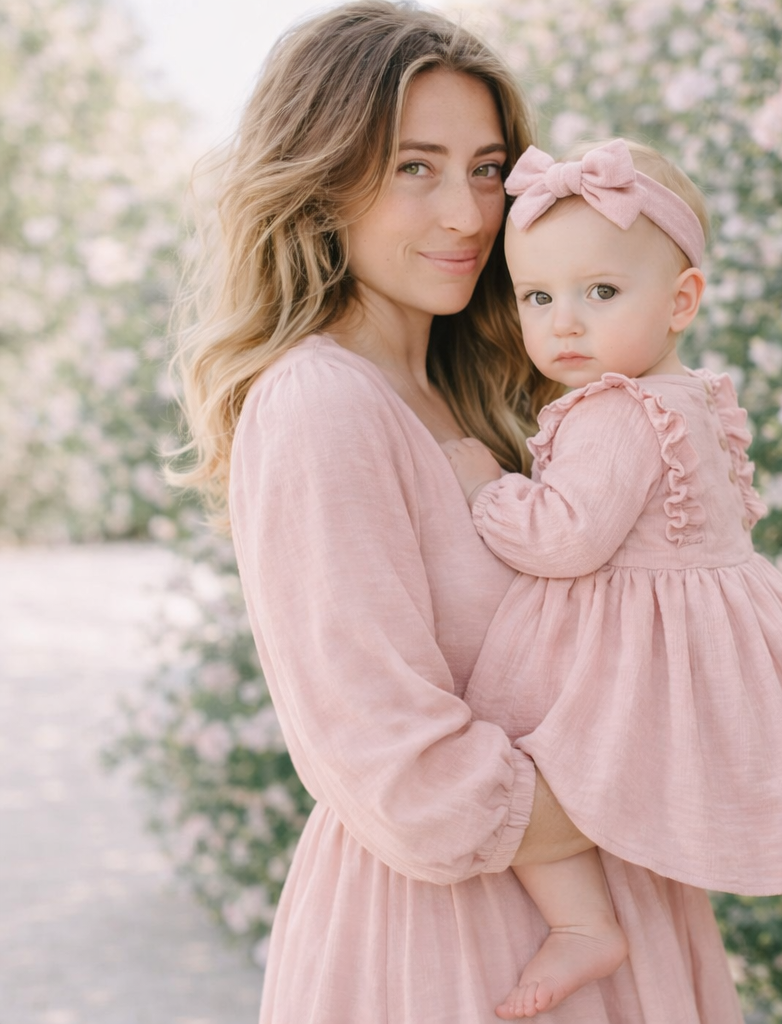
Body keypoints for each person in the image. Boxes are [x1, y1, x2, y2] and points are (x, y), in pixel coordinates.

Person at [172, 3, 746, 1022]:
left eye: (487, 169)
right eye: (414, 167)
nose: (469, 214)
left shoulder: (483, 389)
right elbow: (398, 760)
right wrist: (655, 782)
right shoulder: (320, 403)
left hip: (610, 896)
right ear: (320, 179)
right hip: (459, 941)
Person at [443, 138, 782, 1019]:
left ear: (681, 301)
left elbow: (566, 539)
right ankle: (599, 921)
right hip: (681, 631)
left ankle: (583, 923)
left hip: (627, 646)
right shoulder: (684, 396)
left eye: (601, 293)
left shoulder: (620, 411)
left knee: (511, 760)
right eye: (539, 296)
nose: (565, 323)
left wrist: (489, 490)